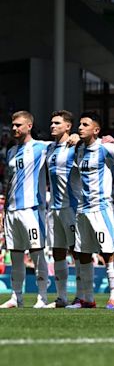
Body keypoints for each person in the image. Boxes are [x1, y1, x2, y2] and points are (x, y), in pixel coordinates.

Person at [71, 112, 114, 309]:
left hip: (101, 208)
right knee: (82, 252)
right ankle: (87, 298)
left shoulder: (105, 148)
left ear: (96, 130)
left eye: (85, 124)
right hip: (82, 208)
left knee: (107, 252)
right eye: (79, 124)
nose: (80, 127)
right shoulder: (79, 150)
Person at [0, 111, 49, 308]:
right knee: (16, 255)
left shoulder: (41, 147)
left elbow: (64, 144)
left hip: (32, 209)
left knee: (37, 253)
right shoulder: (10, 151)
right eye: (13, 125)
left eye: (18, 125)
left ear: (29, 126)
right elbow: (8, 182)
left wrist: (71, 137)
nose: (14, 128)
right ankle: (16, 297)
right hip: (12, 211)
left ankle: (42, 297)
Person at [44, 110, 82, 308]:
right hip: (53, 209)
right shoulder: (49, 148)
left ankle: (82, 296)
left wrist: (78, 137)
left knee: (77, 251)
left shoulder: (75, 147)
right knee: (57, 251)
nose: (52, 125)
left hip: (71, 207)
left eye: (57, 123)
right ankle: (61, 297)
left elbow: (95, 142)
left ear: (68, 126)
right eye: (51, 122)